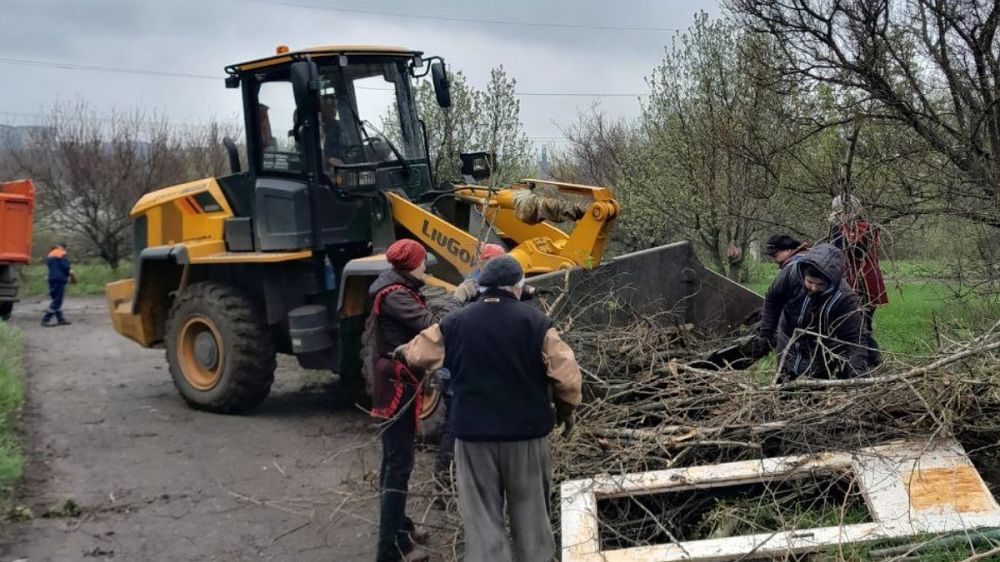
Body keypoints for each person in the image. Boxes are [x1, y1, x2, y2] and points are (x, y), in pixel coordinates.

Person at [399, 255, 583, 562]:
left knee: (483, 524)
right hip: (527, 436)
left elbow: (416, 354)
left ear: (480, 286)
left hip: (474, 438)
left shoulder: (455, 323)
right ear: (518, 286)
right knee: (532, 522)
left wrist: (401, 350)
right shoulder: (536, 323)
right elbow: (567, 379)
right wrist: (565, 411)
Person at [368, 239, 433, 562]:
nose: (427, 266)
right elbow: (429, 324)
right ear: (410, 266)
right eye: (423, 262)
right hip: (396, 386)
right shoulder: (396, 296)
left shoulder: (397, 287)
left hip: (398, 381)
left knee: (394, 463)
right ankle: (390, 550)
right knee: (398, 466)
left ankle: (401, 529)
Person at [756, 243, 868, 381]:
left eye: (820, 284)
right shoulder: (790, 273)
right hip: (787, 338)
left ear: (831, 281)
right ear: (804, 274)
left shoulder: (844, 299)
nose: (813, 288)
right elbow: (772, 299)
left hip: (819, 349)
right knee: (783, 386)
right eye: (810, 282)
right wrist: (766, 334)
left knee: (813, 393)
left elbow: (854, 339)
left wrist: (857, 374)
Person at [829, 194, 887, 366]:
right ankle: (869, 361)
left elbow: (854, 252)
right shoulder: (846, 229)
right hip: (851, 281)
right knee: (858, 325)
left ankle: (869, 361)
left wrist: (838, 230)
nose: (838, 215)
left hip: (864, 283)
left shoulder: (866, 228)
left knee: (860, 326)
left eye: (841, 211)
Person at [752, 235, 808, 358]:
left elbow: (773, 298)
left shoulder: (794, 267)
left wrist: (766, 334)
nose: (774, 260)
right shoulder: (804, 260)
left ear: (788, 250)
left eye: (775, 255)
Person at [41, 243, 73, 327]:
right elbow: (65, 267)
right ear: (62, 247)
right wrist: (70, 273)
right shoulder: (61, 254)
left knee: (55, 299)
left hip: (51, 278)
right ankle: (45, 320)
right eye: (65, 248)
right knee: (57, 300)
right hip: (59, 279)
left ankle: (60, 319)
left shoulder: (50, 254)